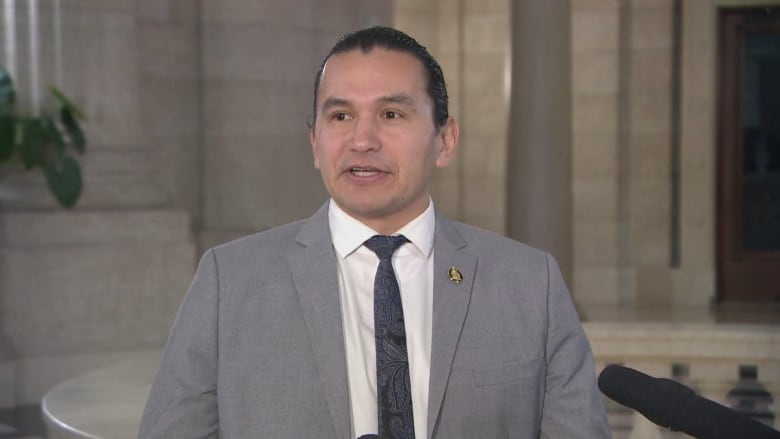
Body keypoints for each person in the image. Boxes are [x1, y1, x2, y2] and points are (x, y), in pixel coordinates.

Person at [139, 26, 610, 439]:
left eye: (391, 114)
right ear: (315, 143)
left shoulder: (531, 284)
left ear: (445, 141)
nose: (362, 140)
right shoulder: (229, 281)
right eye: (340, 116)